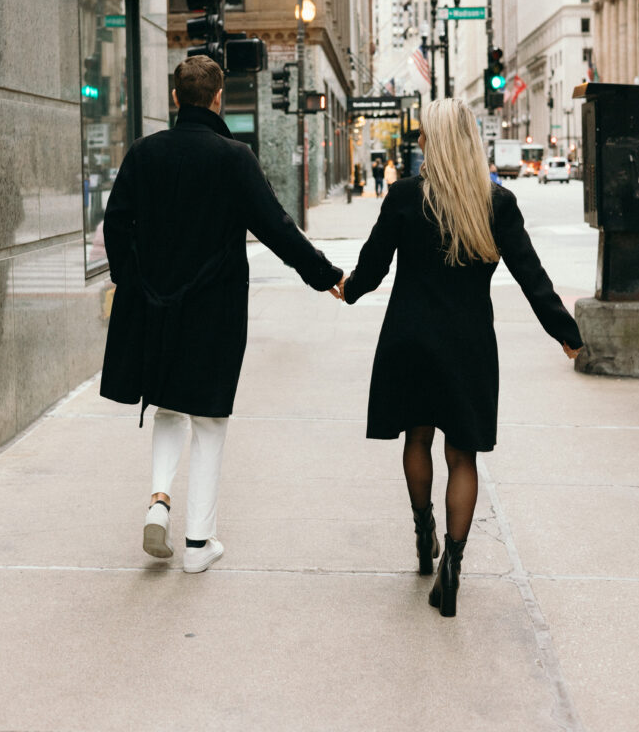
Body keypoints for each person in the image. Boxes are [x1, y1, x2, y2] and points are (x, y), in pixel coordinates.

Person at [337, 99, 582, 617]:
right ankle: (453, 564)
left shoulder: (405, 197)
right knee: (462, 455)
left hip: (409, 339)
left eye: (424, 135)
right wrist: (567, 333)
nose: (419, 143)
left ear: (438, 142)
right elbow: (532, 277)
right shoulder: (496, 203)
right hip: (468, 343)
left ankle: (423, 529)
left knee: (417, 437)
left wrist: (348, 289)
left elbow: (373, 267)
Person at [100, 56, 343, 574]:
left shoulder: (144, 153)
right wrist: (326, 276)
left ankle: (160, 502)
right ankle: (197, 544)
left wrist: (133, 280)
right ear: (217, 100)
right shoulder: (234, 158)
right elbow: (276, 228)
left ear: (174, 99)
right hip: (214, 309)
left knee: (166, 407)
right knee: (209, 419)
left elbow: (116, 224)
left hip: (155, 305)